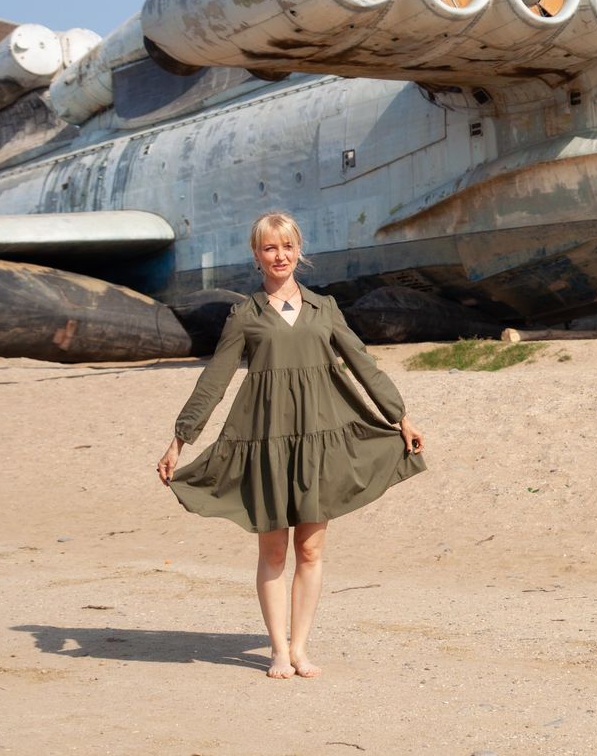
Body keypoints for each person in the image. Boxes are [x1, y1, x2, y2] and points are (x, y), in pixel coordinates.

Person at [156, 211, 425, 679]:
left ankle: (300, 648)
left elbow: (362, 363)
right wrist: (181, 438)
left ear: (299, 251)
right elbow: (215, 380)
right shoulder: (244, 315)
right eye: (269, 248)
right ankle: (278, 650)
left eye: (287, 247)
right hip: (267, 441)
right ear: (256, 255)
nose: (279, 256)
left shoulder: (325, 308)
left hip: (320, 439)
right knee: (274, 552)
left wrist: (399, 417)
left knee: (311, 550)